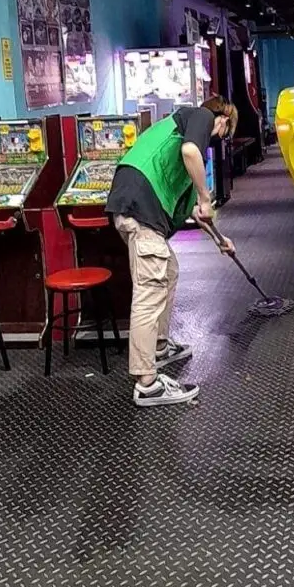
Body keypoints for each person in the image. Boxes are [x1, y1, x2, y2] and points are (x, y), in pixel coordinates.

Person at [106, 96, 238, 408]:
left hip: (137, 207)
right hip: (140, 208)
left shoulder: (178, 144)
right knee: (150, 290)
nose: (217, 137)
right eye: (223, 130)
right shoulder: (202, 116)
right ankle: (147, 383)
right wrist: (208, 196)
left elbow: (193, 210)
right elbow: (192, 152)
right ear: (221, 117)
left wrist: (220, 238)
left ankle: (161, 347)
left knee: (168, 270)